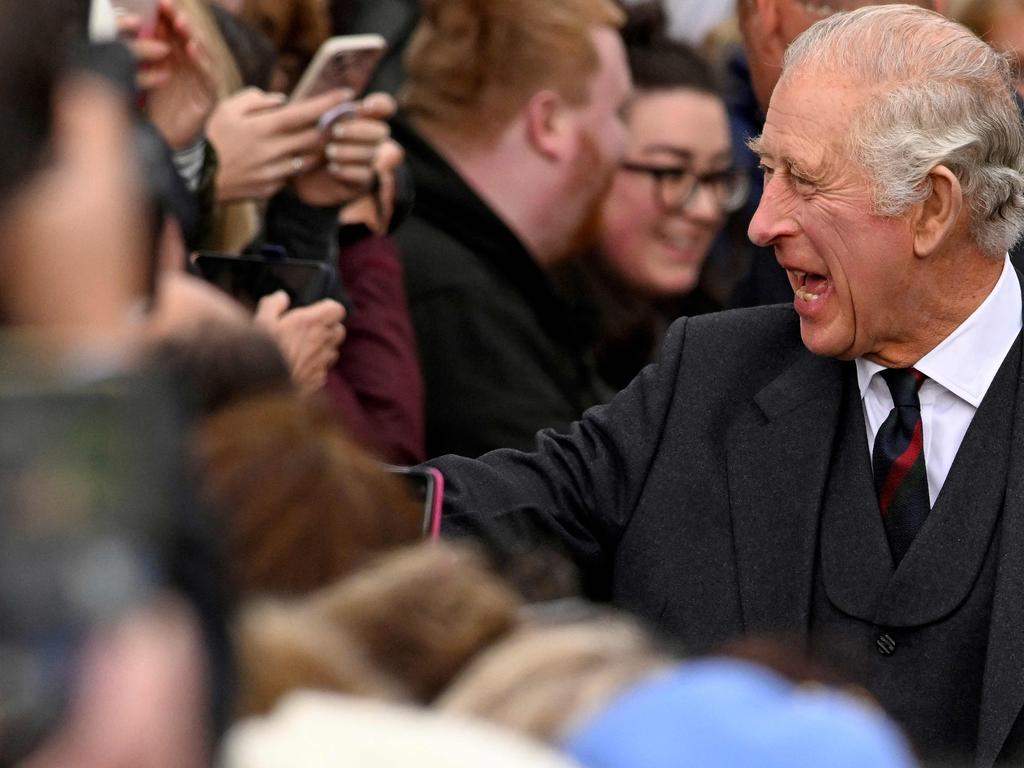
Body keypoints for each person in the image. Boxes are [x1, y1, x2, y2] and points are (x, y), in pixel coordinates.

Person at [432, 6, 1024, 764]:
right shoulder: (709, 378)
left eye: (804, 180)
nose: (760, 222)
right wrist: (276, 489)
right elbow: (507, 511)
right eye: (766, 171)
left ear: (933, 207)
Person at [391, 0, 632, 458]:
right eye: (618, 112)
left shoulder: (465, 266)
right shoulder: (451, 298)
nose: (625, 144)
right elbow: (549, 518)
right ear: (548, 124)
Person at [555, 22, 747, 390]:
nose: (706, 210)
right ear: (594, 165)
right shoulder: (530, 332)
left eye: (717, 178)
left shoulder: (717, 339)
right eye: (672, 173)